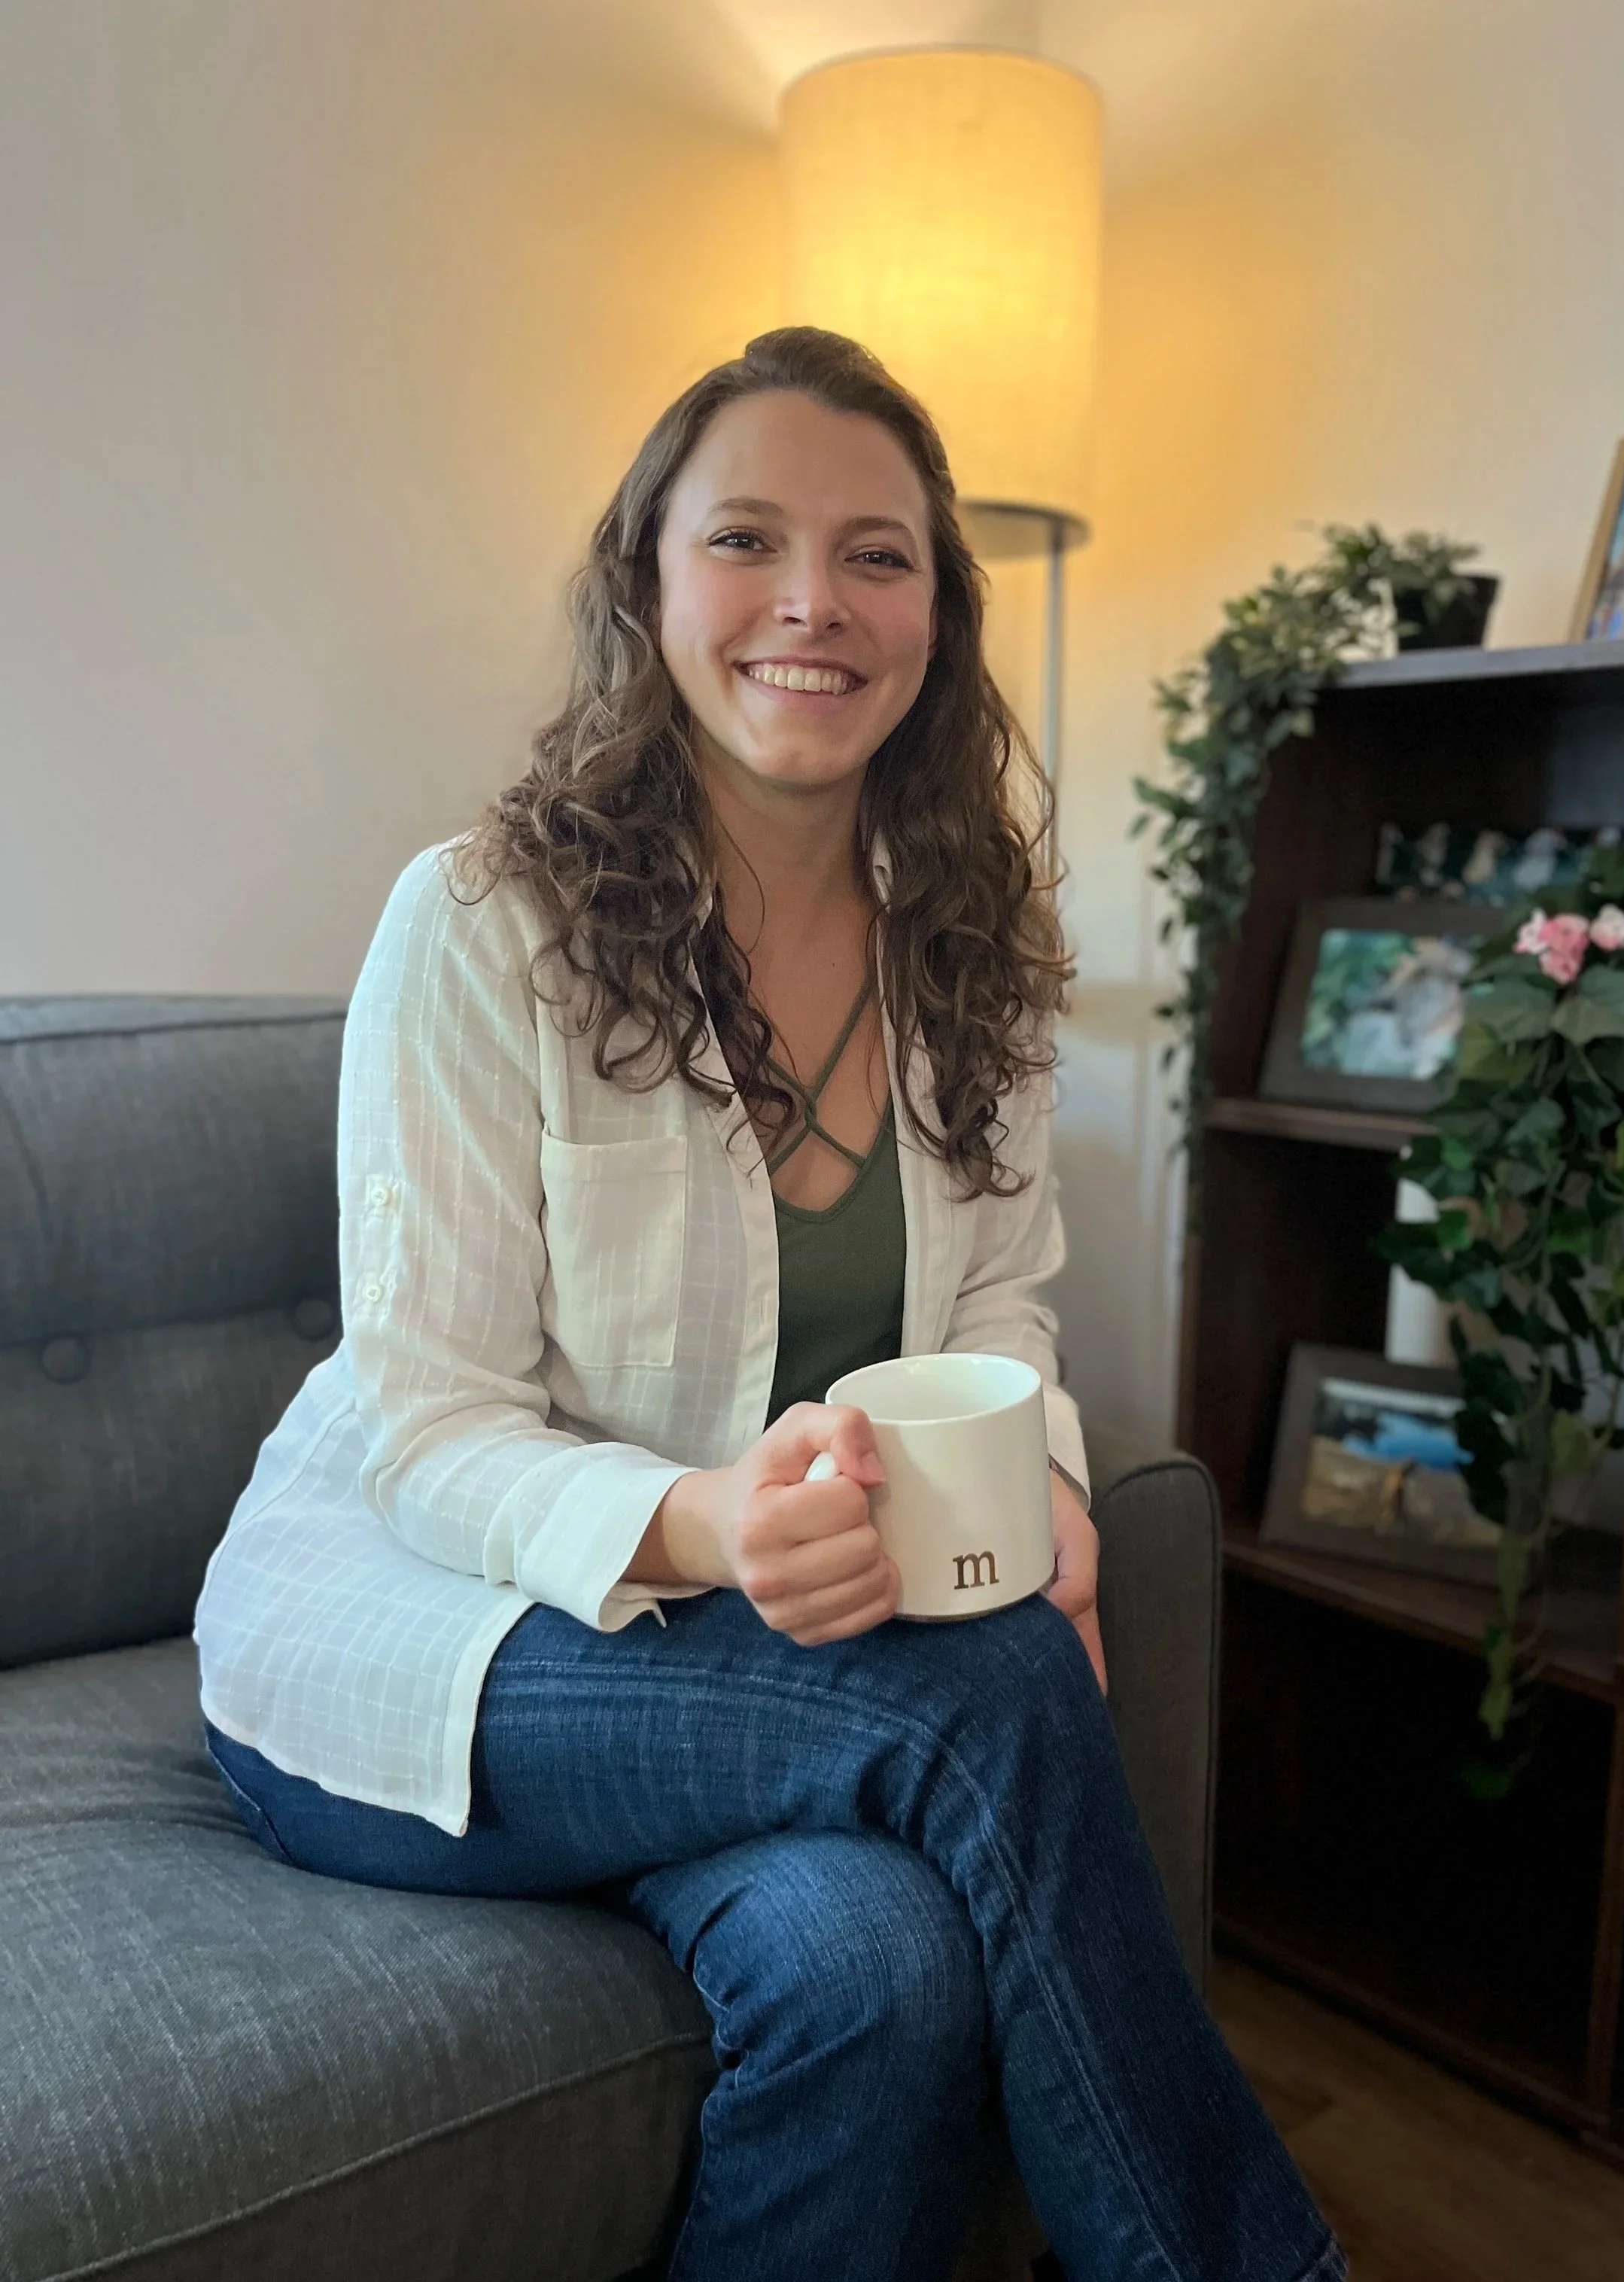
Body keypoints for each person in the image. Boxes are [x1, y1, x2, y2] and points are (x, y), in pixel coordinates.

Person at [194, 327, 1343, 2282]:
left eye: (878, 554)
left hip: (752, 1668)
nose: (814, 601)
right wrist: (713, 1521)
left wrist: (1042, 1495)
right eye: (746, 538)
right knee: (986, 1696)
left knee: (879, 1964)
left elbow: (1003, 1317)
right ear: (647, 583)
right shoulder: (481, 921)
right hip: (418, 1646)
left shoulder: (969, 952)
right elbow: (427, 1420)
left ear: (936, 617)